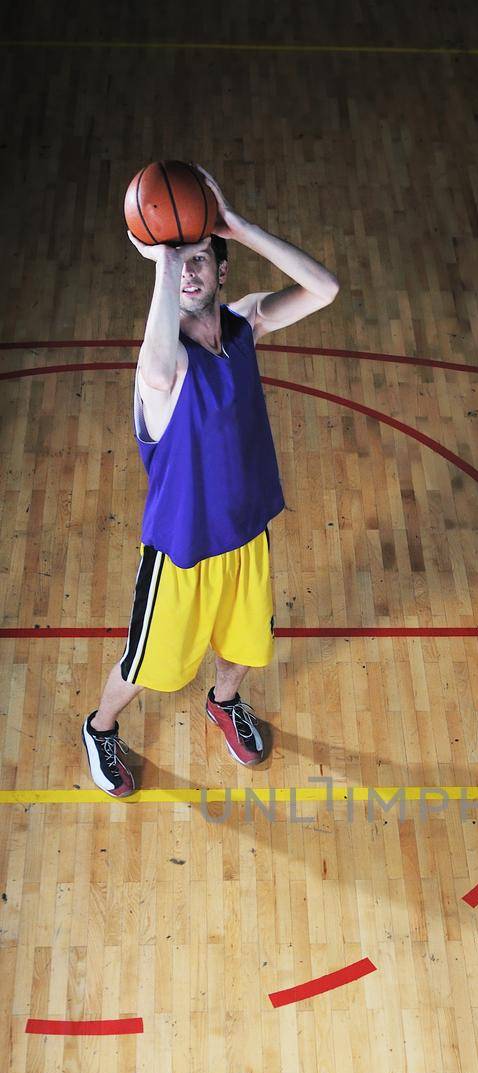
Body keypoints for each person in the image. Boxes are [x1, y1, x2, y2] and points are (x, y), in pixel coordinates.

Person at [82, 165, 339, 797]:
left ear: (222, 271)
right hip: (182, 550)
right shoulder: (161, 367)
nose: (191, 272)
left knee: (247, 649)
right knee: (148, 665)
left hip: (247, 533)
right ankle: (99, 725)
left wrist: (239, 226)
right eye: (181, 265)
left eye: (201, 261)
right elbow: (156, 364)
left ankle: (224, 703)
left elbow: (324, 289)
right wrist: (164, 260)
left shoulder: (246, 326)